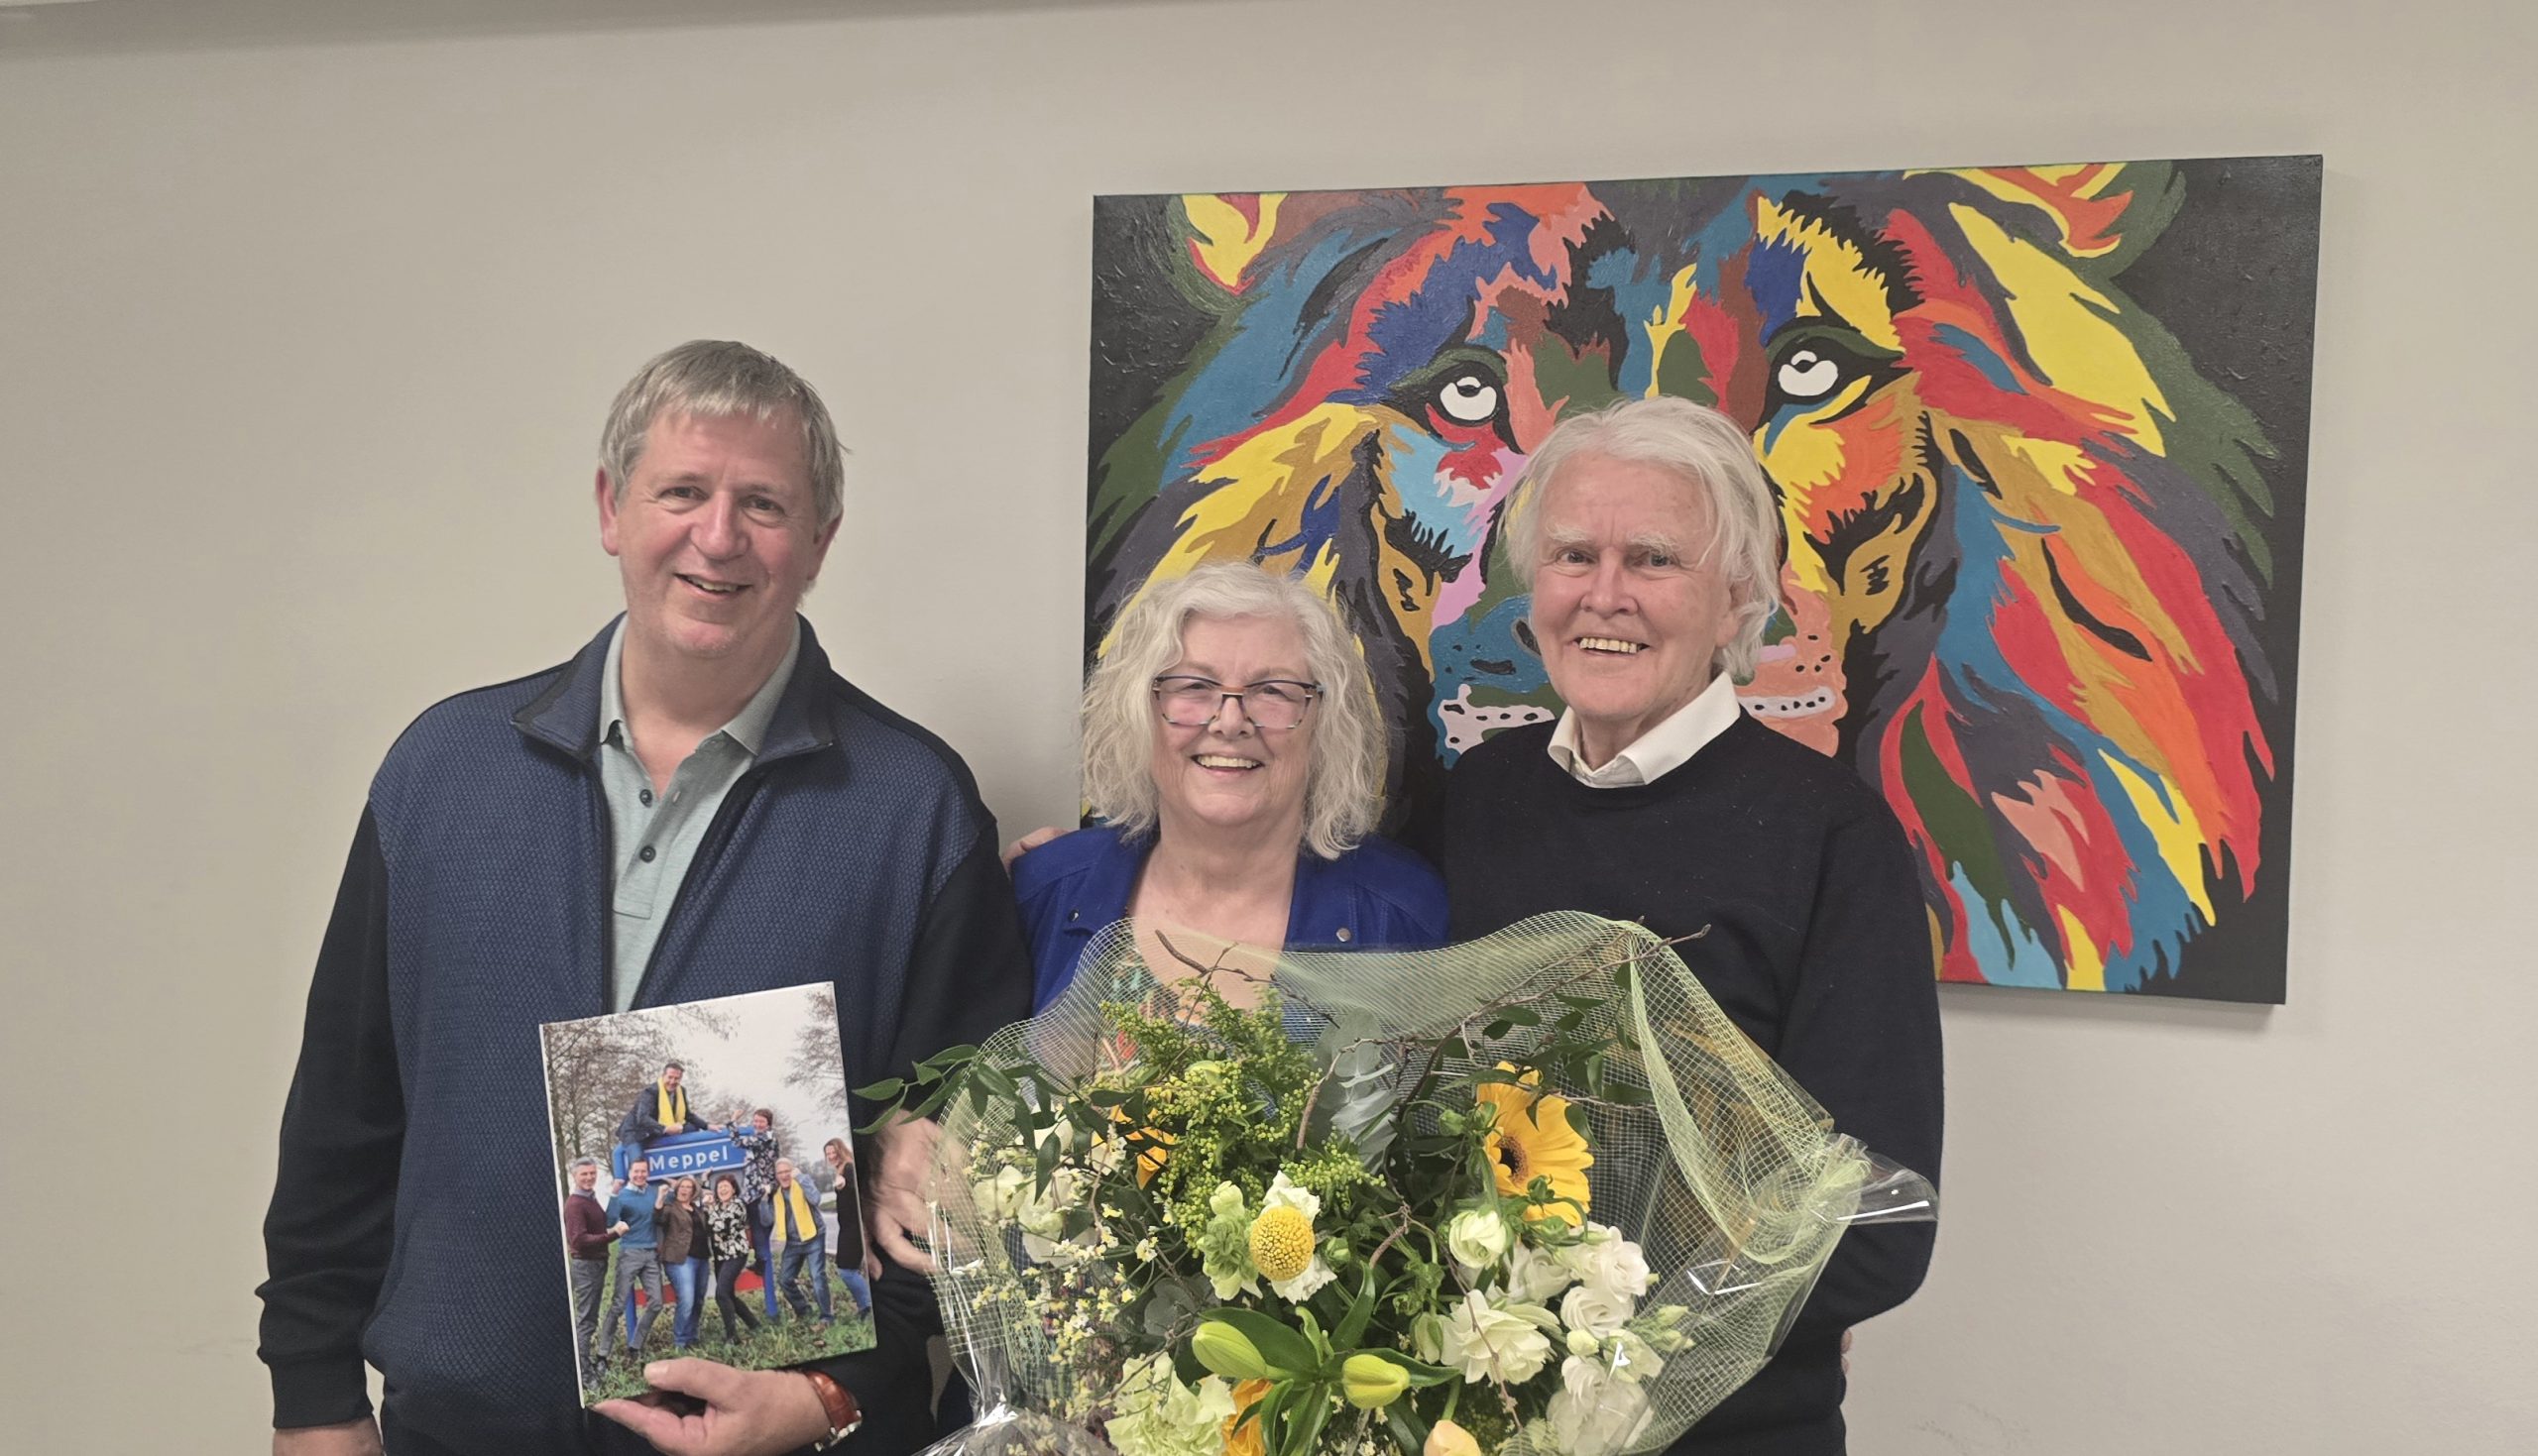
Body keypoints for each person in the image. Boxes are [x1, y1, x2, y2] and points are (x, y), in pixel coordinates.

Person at [257, 340, 1035, 1456]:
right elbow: (345, 1113)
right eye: (682, 491)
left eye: (763, 503)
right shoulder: (441, 775)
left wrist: (828, 1396)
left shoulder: (915, 811)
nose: (718, 536)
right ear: (610, 508)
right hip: (459, 1432)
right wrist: (314, 1395)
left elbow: (951, 1188)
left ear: (820, 541)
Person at [1434, 395, 1944, 1454]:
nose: (1604, 594)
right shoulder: (1468, 800)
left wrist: (1593, 1343)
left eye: (1654, 559)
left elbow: (1875, 1224)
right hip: (1467, 1415)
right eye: (1573, 554)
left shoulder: (1833, 837)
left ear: (1738, 598)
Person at [1011, 563, 1447, 1008]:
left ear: (1326, 725)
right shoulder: (1041, 888)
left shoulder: (1406, 913)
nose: (1230, 721)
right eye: (1194, 686)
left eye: (1272, 691)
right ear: (1138, 713)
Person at [601, 1160, 666, 1357]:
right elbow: (610, 1221)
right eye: (636, 1171)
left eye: (643, 1171)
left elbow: (682, 1194)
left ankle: (635, 1346)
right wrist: (613, 1193)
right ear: (630, 1173)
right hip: (630, 1253)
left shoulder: (654, 1192)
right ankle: (603, 1353)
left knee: (656, 1303)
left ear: (648, 1173)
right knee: (618, 1304)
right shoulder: (622, 1196)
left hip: (651, 1254)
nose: (640, 1175)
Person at [561, 1158, 618, 1376]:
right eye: (584, 1174)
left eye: (592, 1173)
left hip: (596, 1264)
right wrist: (614, 1235)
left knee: (589, 1319)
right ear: (574, 1176)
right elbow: (579, 1240)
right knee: (585, 1321)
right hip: (587, 1266)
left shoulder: (590, 1198)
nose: (589, 1177)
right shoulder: (575, 1204)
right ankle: (584, 1374)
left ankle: (585, 1366)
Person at [730, 1107, 783, 1320]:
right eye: (755, 1121)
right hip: (752, 1193)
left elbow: (737, 1142)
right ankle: (760, 1262)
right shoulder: (762, 1138)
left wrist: (733, 1121)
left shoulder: (765, 1138)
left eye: (761, 1121)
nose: (757, 1124)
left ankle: (762, 1264)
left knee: (760, 1235)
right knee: (753, 1232)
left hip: (759, 1194)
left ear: (768, 1124)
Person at [617, 1062, 711, 1176]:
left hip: (657, 1131)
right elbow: (642, 1118)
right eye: (670, 1077)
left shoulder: (681, 1091)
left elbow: (687, 1115)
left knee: (692, 1128)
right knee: (638, 1167)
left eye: (676, 1078)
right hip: (636, 1133)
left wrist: (707, 1126)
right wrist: (665, 1129)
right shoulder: (650, 1092)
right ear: (663, 1076)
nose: (672, 1081)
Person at [702, 1174, 763, 1345]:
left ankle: (732, 1336)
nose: (722, 1190)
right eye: (720, 1187)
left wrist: (710, 1208)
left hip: (736, 1254)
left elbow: (723, 1228)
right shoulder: (717, 1206)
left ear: (734, 1189)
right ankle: (754, 1324)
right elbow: (709, 1226)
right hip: (720, 1256)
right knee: (728, 1295)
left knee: (721, 1294)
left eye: (726, 1187)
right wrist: (704, 1181)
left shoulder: (738, 1205)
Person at [766, 1158, 830, 1323]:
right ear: (776, 1176)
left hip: (814, 1237)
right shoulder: (776, 1194)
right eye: (780, 1173)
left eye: (787, 1171)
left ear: (793, 1171)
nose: (784, 1175)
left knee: (817, 1276)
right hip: (792, 1242)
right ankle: (804, 1311)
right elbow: (767, 1220)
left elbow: (816, 1199)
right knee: (784, 1279)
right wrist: (764, 1198)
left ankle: (826, 1316)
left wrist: (801, 1177)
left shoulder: (802, 1182)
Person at [820, 1137, 872, 1317]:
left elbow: (862, 1190)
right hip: (847, 1227)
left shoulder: (849, 1168)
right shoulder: (841, 1169)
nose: (831, 1156)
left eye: (834, 1152)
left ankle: (867, 1306)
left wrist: (847, 1185)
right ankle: (864, 1306)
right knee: (847, 1269)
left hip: (854, 1228)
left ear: (841, 1151)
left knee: (846, 1270)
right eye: (828, 1154)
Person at [657, 1176, 710, 1351]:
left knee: (698, 1300)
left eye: (688, 1187)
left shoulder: (697, 1209)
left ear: (693, 1192)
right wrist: (661, 1197)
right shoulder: (670, 1208)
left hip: (702, 1258)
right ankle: (680, 1342)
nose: (684, 1190)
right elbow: (659, 1219)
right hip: (680, 1259)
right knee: (687, 1299)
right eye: (682, 1186)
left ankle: (692, 1337)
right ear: (677, 1189)